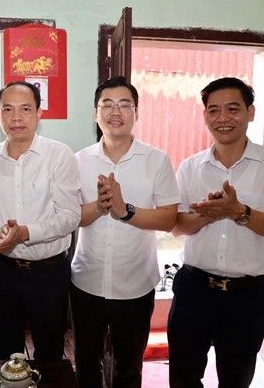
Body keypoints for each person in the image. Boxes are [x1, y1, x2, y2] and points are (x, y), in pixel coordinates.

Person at [168, 77, 264, 388]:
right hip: (193, 290)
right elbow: (176, 227)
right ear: (205, 116)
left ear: (250, 112)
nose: (223, 118)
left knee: (235, 381)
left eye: (233, 108)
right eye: (214, 110)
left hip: (246, 297)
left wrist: (239, 211)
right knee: (183, 378)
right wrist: (207, 215)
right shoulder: (190, 167)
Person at [70, 76, 180, 388]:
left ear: (136, 112)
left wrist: (125, 211)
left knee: (129, 370)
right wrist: (99, 206)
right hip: (86, 281)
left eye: (124, 104)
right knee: (86, 367)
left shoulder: (156, 160)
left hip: (135, 284)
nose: (115, 111)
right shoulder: (79, 161)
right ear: (95, 113)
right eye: (107, 104)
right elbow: (69, 218)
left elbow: (168, 219)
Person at [0, 81, 81, 360]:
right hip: (4, 273)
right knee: (5, 355)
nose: (16, 117)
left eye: (25, 109)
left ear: (39, 113)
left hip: (49, 274)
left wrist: (25, 233)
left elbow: (70, 216)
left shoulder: (59, 155)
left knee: (49, 355)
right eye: (8, 109)